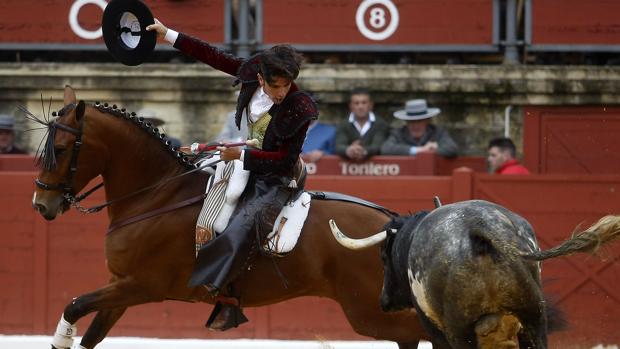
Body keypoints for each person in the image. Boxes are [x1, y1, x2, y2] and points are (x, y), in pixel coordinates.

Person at [147, 19, 318, 329]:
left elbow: (283, 159)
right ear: (261, 78)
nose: (281, 92)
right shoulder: (252, 73)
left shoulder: (300, 108)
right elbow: (213, 55)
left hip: (276, 176)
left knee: (242, 226)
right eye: (275, 85)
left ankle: (228, 297)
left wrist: (240, 154)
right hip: (243, 158)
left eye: (286, 85)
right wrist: (167, 34)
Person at [381, 99, 458, 157]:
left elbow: (452, 148)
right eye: (412, 122)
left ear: (427, 121)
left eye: (419, 121)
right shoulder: (399, 133)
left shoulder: (437, 132)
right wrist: (418, 150)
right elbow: (386, 148)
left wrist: (435, 148)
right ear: (406, 122)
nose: (415, 126)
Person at [335, 87, 389, 161]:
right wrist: (349, 150)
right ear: (351, 106)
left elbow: (378, 146)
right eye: (356, 103)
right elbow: (339, 146)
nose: (360, 107)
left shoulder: (380, 124)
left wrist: (364, 151)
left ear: (371, 105)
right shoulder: (343, 124)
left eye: (364, 103)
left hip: (375, 168)